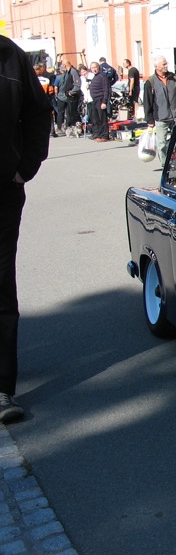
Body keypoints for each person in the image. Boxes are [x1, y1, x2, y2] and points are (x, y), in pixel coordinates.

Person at [0, 36, 51, 424]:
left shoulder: (9, 55)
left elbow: (38, 111)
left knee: (1, 284)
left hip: (3, 189)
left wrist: (25, 166)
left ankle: (2, 390)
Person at [142, 56, 176, 165]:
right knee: (161, 143)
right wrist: (149, 120)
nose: (166, 66)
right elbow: (147, 102)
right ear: (157, 67)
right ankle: (165, 163)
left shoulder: (175, 78)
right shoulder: (150, 82)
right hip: (161, 117)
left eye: (166, 63)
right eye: (163, 64)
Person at [54, 60, 82, 135]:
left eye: (63, 65)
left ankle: (77, 128)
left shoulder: (73, 71)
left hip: (72, 95)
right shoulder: (67, 72)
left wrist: (71, 92)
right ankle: (70, 127)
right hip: (67, 96)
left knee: (73, 112)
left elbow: (77, 84)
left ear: (65, 65)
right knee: (69, 112)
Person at [87, 61, 112, 141]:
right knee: (96, 118)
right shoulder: (95, 77)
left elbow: (106, 89)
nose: (94, 69)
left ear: (98, 68)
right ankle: (99, 134)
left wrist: (104, 102)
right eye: (92, 68)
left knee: (102, 118)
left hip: (100, 99)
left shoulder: (102, 76)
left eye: (95, 67)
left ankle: (105, 136)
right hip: (94, 100)